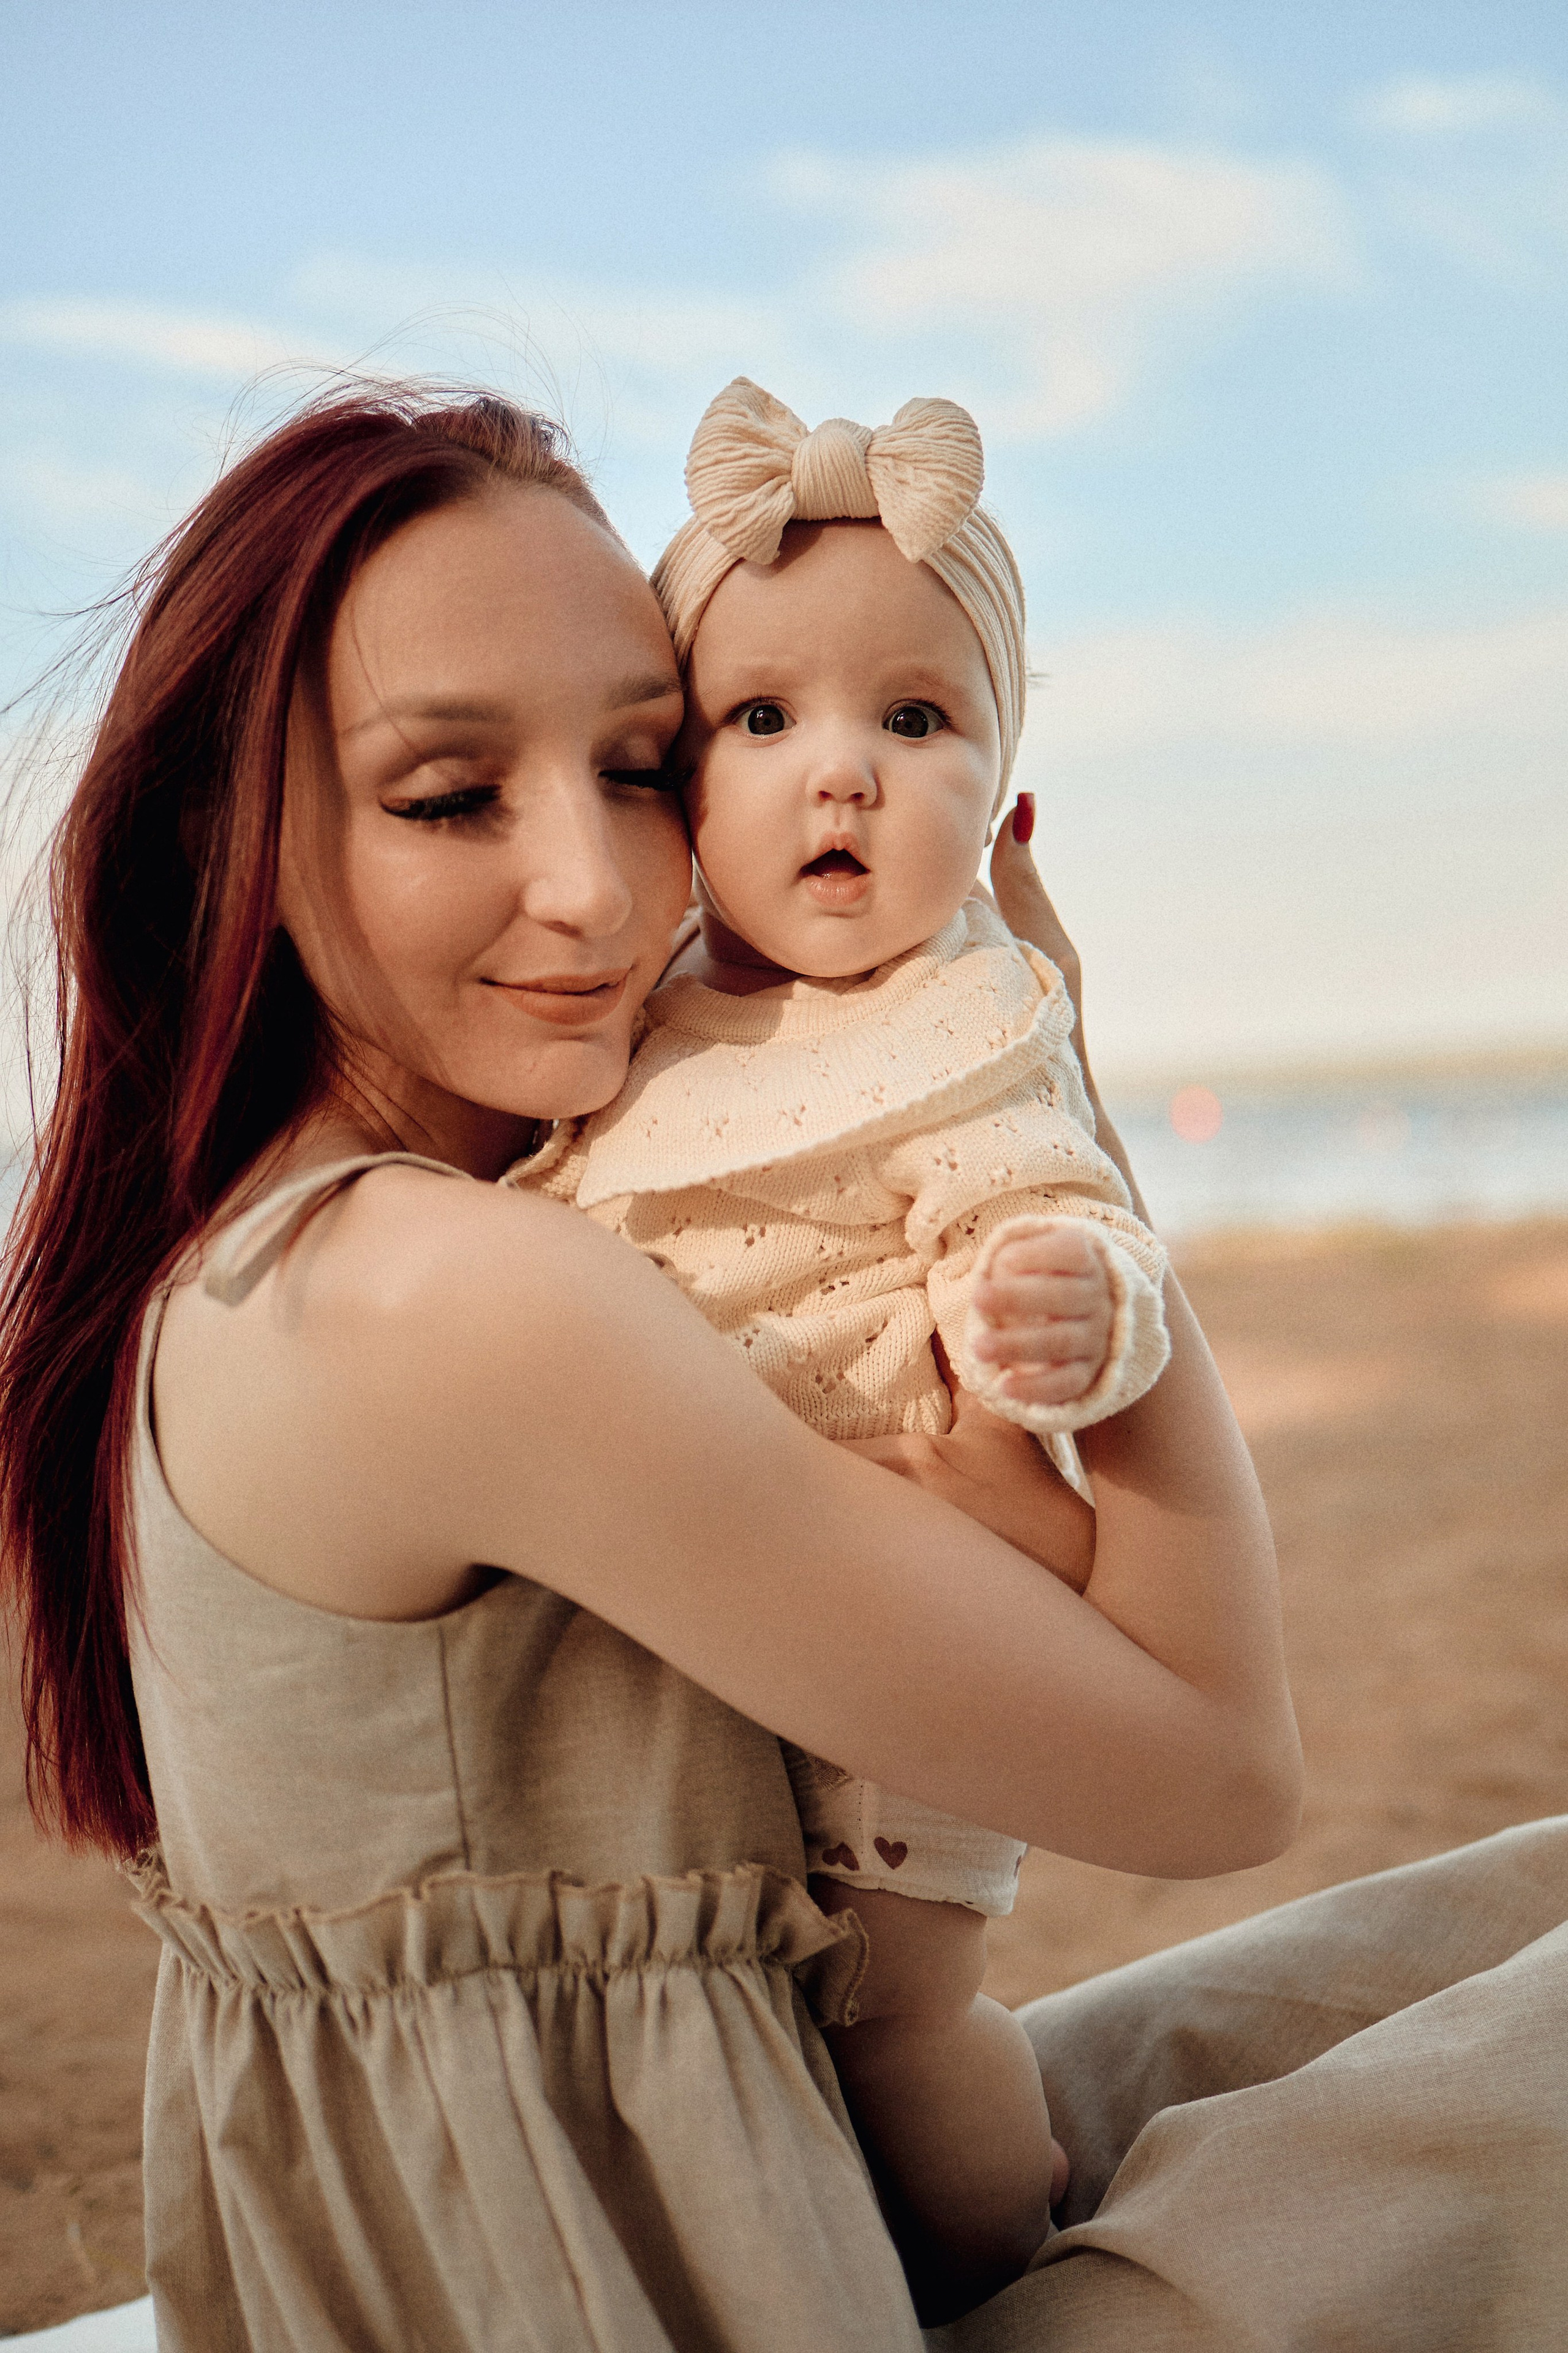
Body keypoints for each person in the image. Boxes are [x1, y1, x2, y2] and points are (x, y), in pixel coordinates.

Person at [1, 382, 1562, 2353]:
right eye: (448, 792)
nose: (593, 889)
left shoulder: (279, 1250)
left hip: (742, 2128)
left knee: (1523, 1905)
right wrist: (1038, 1085)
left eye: (644, 764)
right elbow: (1221, 1765)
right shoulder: (447, 1299)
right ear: (237, 828)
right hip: (679, 2284)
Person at [513, 377, 1172, 2306]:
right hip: (706, 1633)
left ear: (1002, 784)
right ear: (676, 778)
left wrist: (1058, 1307)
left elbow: (1061, 1199)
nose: (844, 773)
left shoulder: (968, 1018)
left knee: (898, 2011)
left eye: (917, 716)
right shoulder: (638, 1023)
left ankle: (1013, 2270)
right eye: (764, 718)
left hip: (906, 1619)